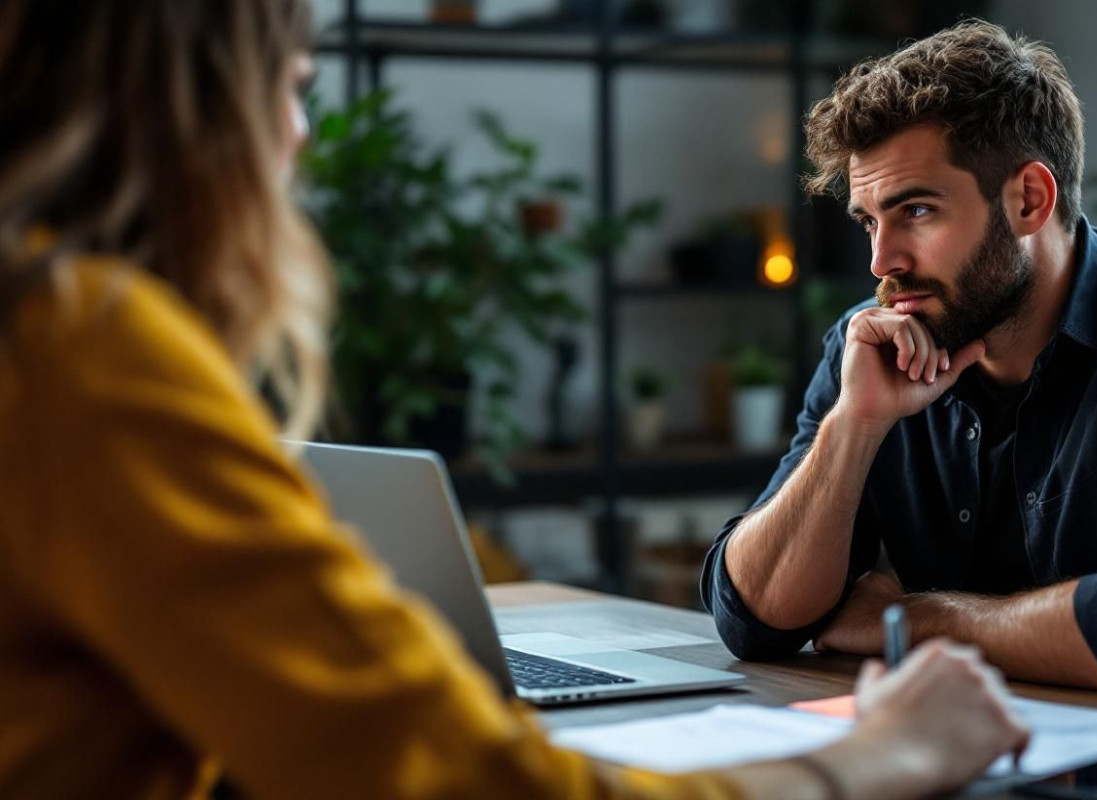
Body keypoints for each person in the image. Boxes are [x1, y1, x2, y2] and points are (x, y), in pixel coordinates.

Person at [0, 2, 1031, 798]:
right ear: (185, 103)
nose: (297, 132)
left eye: (914, 210)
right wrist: (867, 758)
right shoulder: (81, 354)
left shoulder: (53, 342)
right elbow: (479, 780)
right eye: (289, 83)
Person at [701, 19, 1097, 722]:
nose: (881, 261)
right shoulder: (880, 342)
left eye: (915, 210)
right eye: (868, 221)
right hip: (1014, 755)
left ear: (1029, 201)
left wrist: (919, 622)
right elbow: (753, 620)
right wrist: (855, 427)